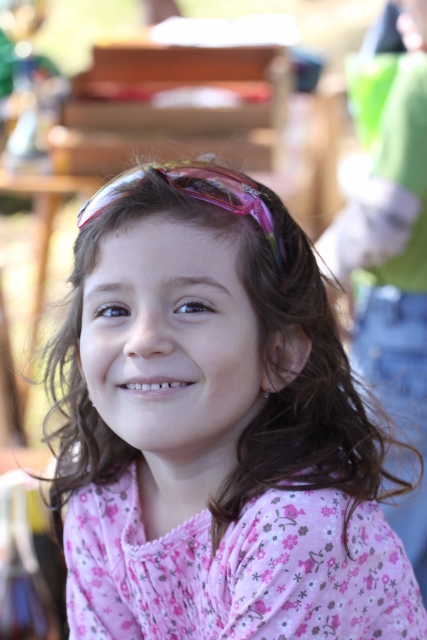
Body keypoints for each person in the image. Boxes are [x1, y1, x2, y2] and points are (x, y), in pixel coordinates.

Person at [42, 161, 427, 639]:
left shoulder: (301, 527)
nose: (143, 340)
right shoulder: (101, 506)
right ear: (80, 353)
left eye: (192, 306)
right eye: (114, 310)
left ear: (279, 355)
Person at [316, 0, 427, 605]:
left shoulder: (419, 82)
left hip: (410, 330)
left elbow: (384, 218)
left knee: (393, 522)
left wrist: (317, 269)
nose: (400, 16)